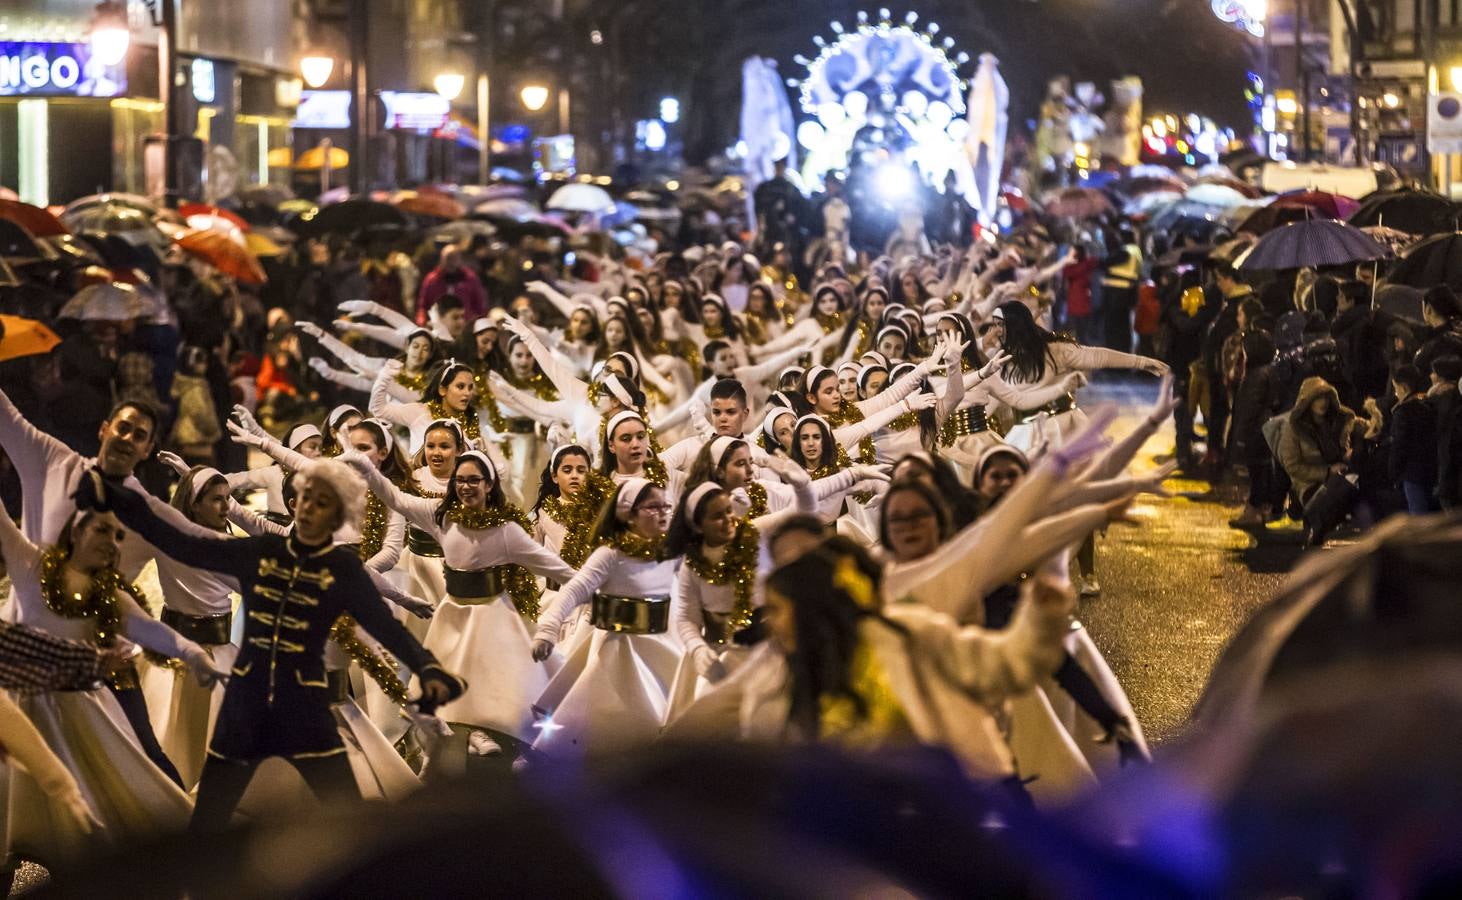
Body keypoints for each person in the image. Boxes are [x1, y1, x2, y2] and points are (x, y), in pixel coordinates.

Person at [73, 460, 465, 833]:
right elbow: (182, 543)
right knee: (210, 815)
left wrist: (428, 667)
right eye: (306, 497)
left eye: (323, 503)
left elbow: (385, 628)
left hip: (306, 708)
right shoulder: (260, 552)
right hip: (246, 702)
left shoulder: (343, 569)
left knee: (346, 810)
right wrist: (119, 496)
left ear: (337, 515)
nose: (310, 508)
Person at [0, 504, 228, 859]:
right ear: (74, 533)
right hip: (26, 707)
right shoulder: (31, 568)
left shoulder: (110, 596)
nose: (113, 542)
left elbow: (154, 632)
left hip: (83, 711)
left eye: (119, 536)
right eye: (102, 531)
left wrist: (193, 654)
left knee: (101, 803)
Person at [1388, 365, 1439, 515]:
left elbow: (1399, 445)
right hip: (1430, 469)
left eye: (1395, 388)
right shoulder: (1428, 406)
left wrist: (1393, 471)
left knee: (1418, 514)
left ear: (1403, 387)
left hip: (1412, 472)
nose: (1395, 393)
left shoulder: (1403, 412)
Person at [417, 245, 488, 324]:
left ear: (459, 259)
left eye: (454, 258)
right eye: (448, 258)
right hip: (438, 326)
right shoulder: (431, 280)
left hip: (465, 325)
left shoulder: (470, 279)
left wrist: (481, 325)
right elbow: (423, 306)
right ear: (442, 259)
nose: (450, 262)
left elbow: (480, 306)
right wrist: (422, 323)